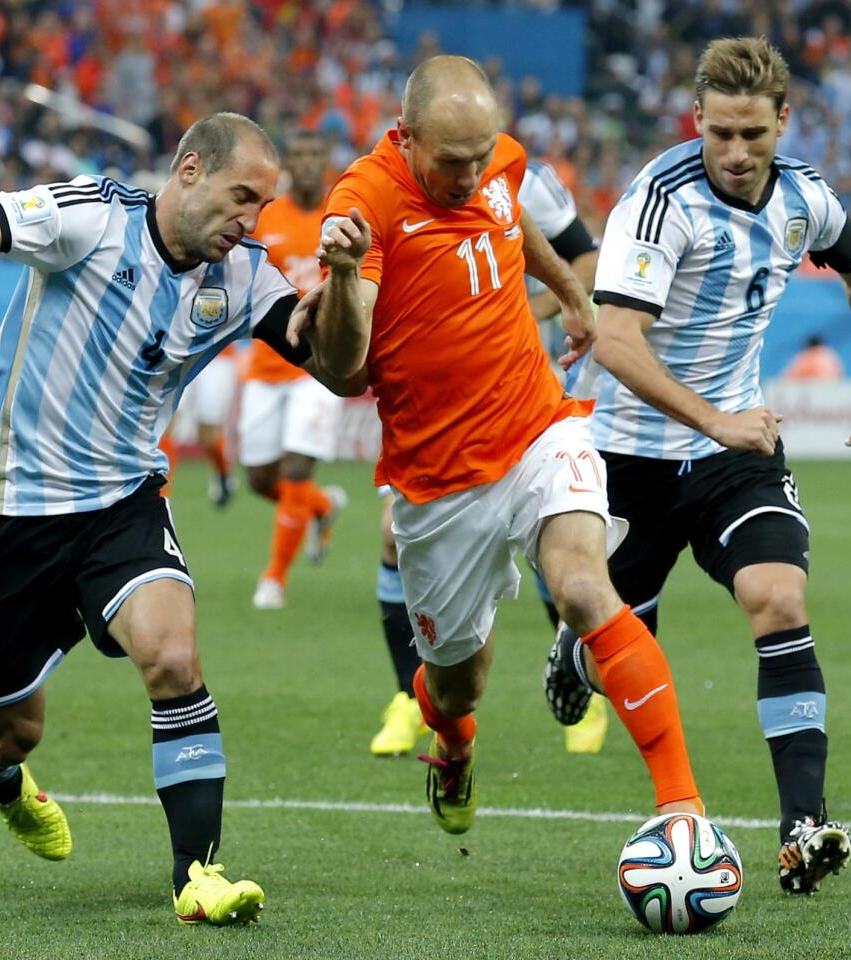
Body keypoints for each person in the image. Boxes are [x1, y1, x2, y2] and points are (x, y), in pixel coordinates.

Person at [0, 113, 364, 926]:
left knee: (172, 655)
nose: (251, 221)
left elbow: (338, 369)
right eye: (241, 198)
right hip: (6, 510)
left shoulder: (244, 276)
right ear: (190, 170)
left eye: (263, 208)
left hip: (120, 502)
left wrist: (342, 279)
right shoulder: (91, 219)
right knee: (13, 729)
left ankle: (196, 877)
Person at [542, 37, 851, 896]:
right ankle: (577, 651)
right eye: (719, 134)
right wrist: (715, 418)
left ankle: (802, 828)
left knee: (777, 596)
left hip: (731, 458)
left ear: (783, 121)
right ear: (697, 123)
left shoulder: (804, 198)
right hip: (629, 456)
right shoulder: (657, 201)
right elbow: (615, 341)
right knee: (618, 653)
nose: (737, 153)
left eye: (753, 133)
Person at [300, 55, 705, 836]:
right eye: (449, 161)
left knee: (585, 589)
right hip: (440, 481)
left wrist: (568, 291)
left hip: (537, 427)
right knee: (459, 686)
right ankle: (453, 749)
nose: (468, 173)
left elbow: (509, 215)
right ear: (406, 136)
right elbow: (346, 366)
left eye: (478, 155)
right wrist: (346, 276)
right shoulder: (364, 202)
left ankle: (681, 811)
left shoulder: (494, 157)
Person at [366, 157, 603, 758]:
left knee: (559, 545)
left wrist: (524, 310)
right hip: (431, 417)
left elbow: (586, 260)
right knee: (393, 538)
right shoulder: (387, 189)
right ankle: (408, 697)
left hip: (520, 393)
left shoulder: (522, 177)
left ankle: (575, 671)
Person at [240, 129, 348, 610]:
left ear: (325, 160)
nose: (306, 163)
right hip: (267, 363)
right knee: (261, 479)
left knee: (298, 467)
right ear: (287, 162)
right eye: (298, 154)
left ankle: (273, 579)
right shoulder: (269, 219)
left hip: (319, 367)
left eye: (314, 154)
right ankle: (323, 507)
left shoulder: (340, 217)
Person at [179, 344, 243, 509]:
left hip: (215, 358)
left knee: (208, 436)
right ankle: (162, 493)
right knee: (168, 423)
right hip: (179, 353)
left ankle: (222, 471)